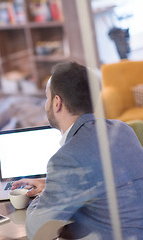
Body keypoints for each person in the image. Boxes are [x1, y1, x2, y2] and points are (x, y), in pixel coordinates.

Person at [11, 61, 143, 239]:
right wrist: (54, 185)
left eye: (47, 98)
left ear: (57, 102)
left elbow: (37, 231)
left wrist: (46, 194)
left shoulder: (66, 159)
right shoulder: (123, 130)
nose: (45, 104)